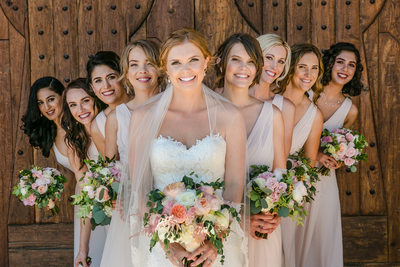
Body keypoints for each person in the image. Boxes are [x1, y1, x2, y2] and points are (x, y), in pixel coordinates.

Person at [101, 28, 247, 267]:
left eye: (193, 60)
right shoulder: (143, 116)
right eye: (176, 62)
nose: (185, 69)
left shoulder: (230, 116)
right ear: (165, 68)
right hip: (162, 246)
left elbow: (233, 185)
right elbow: (141, 187)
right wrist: (168, 244)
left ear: (206, 63)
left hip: (217, 246)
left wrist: (213, 241)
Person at [214, 33, 286, 267]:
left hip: (261, 232)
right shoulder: (205, 111)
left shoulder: (273, 115)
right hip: (217, 229)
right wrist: (239, 218)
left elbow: (280, 174)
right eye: (236, 59)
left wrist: (274, 214)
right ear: (221, 62)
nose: (244, 68)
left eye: (251, 62)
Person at [300, 42, 363, 267]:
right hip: (296, 175)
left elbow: (341, 143)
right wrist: (314, 155)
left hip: (324, 182)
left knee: (322, 236)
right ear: (330, 63)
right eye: (340, 62)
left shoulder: (350, 110)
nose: (345, 68)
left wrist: (341, 156)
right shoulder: (306, 93)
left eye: (352, 65)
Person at [275, 44, 324, 267]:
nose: (308, 74)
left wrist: (291, 188)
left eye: (314, 68)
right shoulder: (270, 97)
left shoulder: (315, 115)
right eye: (302, 67)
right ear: (290, 67)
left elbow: (309, 163)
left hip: (283, 191)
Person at [61, 78, 107, 267]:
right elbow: (87, 198)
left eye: (85, 101)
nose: (80, 110)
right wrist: (83, 249)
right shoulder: (74, 145)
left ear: (95, 98)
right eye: (73, 105)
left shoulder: (110, 127)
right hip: (102, 211)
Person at [105, 40, 162, 162]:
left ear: (160, 69)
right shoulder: (116, 117)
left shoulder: (174, 107)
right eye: (134, 64)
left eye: (150, 63)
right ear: (126, 72)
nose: (142, 70)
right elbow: (109, 170)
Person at [249, 33, 295, 158]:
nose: (275, 67)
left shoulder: (286, 107)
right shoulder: (225, 94)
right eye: (269, 58)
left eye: (281, 61)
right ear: (255, 56)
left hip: (264, 177)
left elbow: (282, 160)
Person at [22, 77, 73, 172]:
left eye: (51, 99)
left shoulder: (79, 125)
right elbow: (68, 174)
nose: (46, 107)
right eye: (40, 103)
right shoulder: (50, 134)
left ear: (63, 95)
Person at [87, 51, 130, 155]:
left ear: (123, 77)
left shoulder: (143, 104)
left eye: (111, 77)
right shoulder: (98, 125)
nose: (106, 86)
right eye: (98, 81)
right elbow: (111, 168)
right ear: (93, 87)